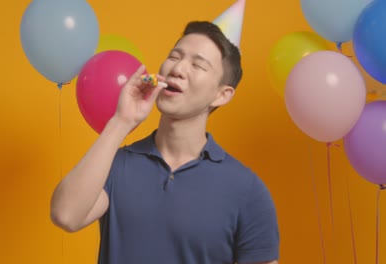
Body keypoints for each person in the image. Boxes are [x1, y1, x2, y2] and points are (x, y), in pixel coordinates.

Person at [50, 20, 280, 264]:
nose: (178, 68)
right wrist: (121, 121)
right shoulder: (116, 166)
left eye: (198, 65)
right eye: (174, 56)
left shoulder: (247, 190)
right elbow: (66, 215)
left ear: (221, 95)